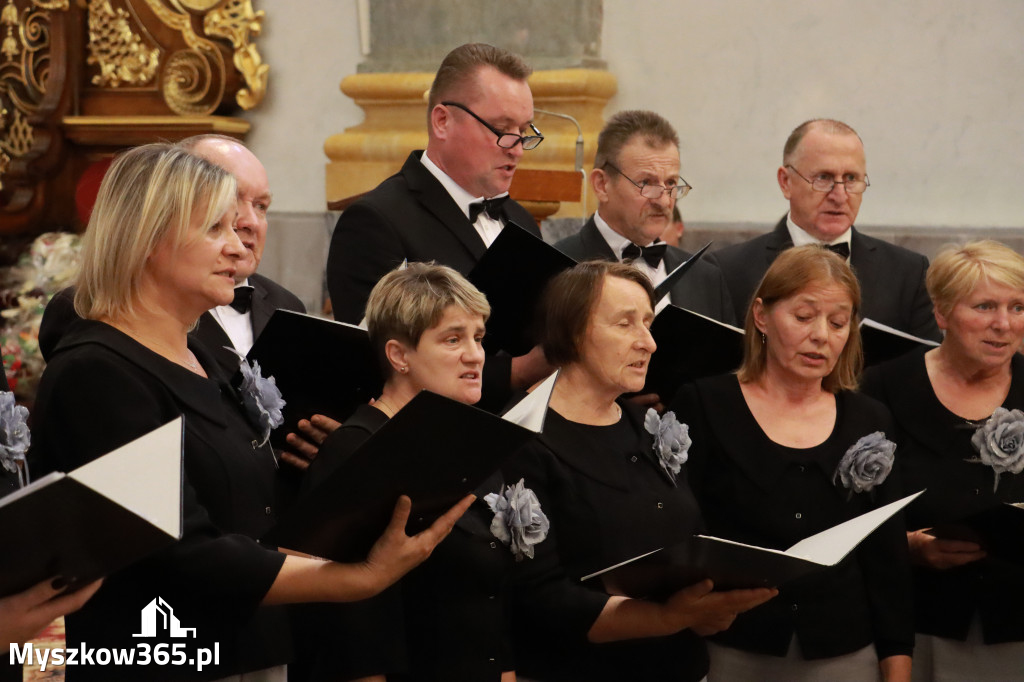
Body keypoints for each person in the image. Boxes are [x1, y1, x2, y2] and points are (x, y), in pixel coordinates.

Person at [28, 143, 471, 682]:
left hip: (254, 645)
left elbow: (253, 510)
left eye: (243, 224)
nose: (239, 247)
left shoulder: (205, 359)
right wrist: (355, 579)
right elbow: (177, 551)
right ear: (148, 240)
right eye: (215, 229)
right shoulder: (97, 372)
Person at [505, 260, 776, 682]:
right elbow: (536, 596)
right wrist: (665, 617)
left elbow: (686, 539)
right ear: (572, 332)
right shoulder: (522, 436)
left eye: (648, 323)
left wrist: (707, 607)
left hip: (679, 666)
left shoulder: (650, 427)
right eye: (625, 324)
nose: (648, 343)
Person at [670, 245, 913, 681]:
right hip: (730, 642)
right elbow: (677, 529)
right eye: (804, 317)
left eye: (838, 323)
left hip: (843, 648)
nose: (822, 335)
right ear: (762, 316)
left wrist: (896, 662)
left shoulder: (868, 419)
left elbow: (886, 555)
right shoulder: (705, 403)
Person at [300, 262, 525, 682]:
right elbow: (348, 621)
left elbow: (490, 596)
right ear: (399, 355)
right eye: (452, 339)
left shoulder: (472, 444)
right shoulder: (355, 448)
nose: (475, 355)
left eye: (478, 338)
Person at [325, 42, 551, 409]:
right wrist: (520, 371)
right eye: (502, 129)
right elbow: (376, 368)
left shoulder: (520, 220)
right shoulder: (376, 221)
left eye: (525, 131)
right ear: (443, 120)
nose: (517, 148)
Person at [861, 240, 1024, 682]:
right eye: (985, 306)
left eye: (1018, 307)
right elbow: (848, 508)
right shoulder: (882, 388)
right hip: (915, 623)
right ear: (941, 313)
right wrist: (907, 545)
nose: (1004, 324)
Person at [710, 119, 939, 341]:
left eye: (851, 178)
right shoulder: (728, 271)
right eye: (823, 178)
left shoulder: (908, 273)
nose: (839, 196)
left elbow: (926, 369)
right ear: (786, 182)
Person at [554, 110, 735, 324]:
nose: (664, 201)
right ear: (602, 185)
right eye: (646, 183)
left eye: (670, 183)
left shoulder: (704, 278)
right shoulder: (558, 268)